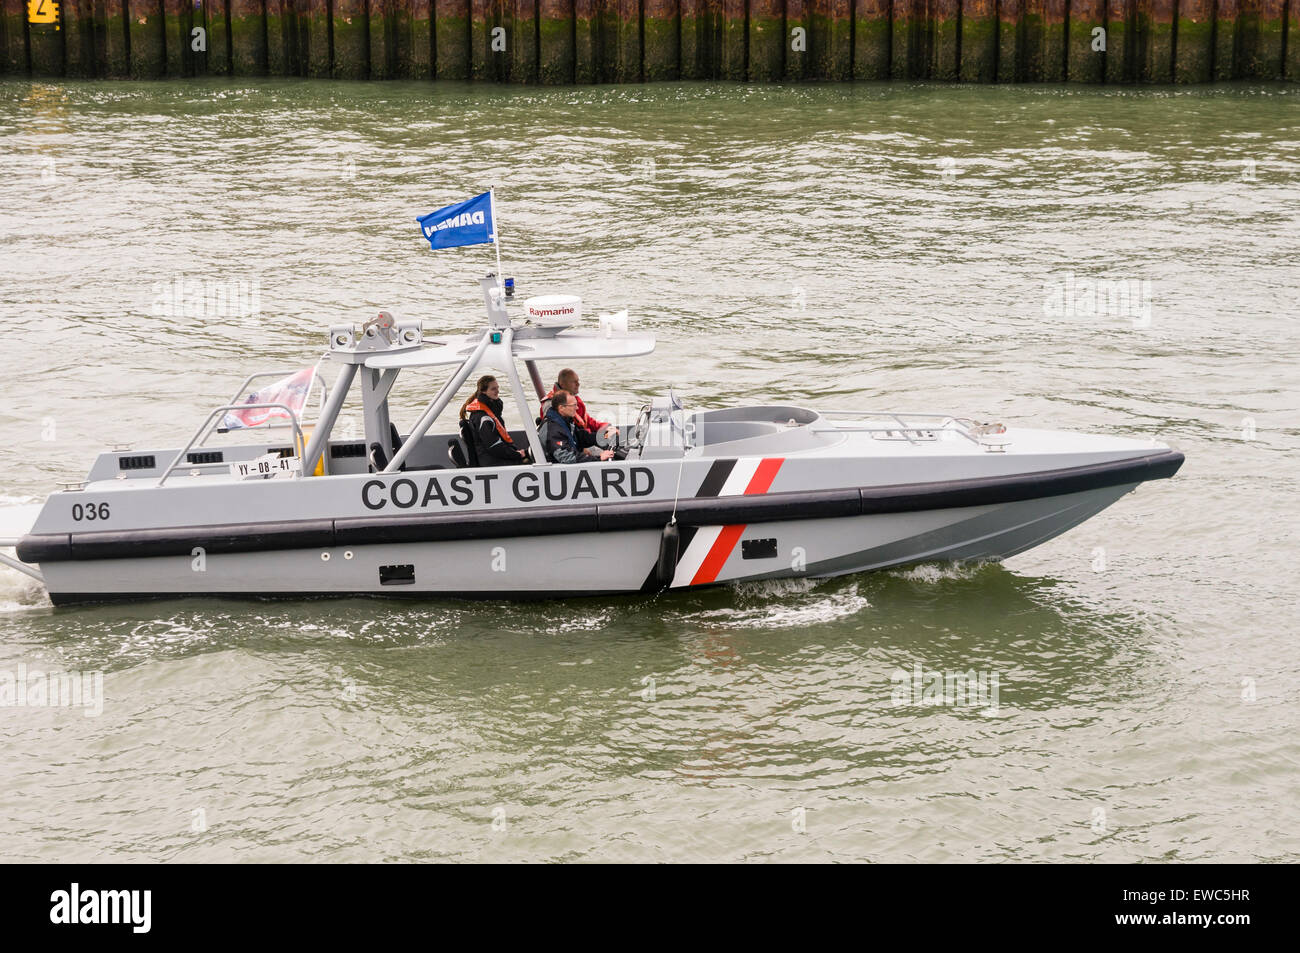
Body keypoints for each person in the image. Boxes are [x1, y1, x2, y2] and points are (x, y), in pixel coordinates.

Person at [459, 375, 528, 466]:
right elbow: (494, 446)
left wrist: (516, 452)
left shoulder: (490, 412)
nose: (497, 391)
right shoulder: (482, 417)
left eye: (497, 388)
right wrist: (517, 454)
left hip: (494, 457)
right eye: (493, 389)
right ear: (484, 391)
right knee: (530, 461)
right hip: (491, 462)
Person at [539, 390, 614, 464]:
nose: (577, 408)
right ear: (561, 408)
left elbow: (583, 438)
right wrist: (598, 458)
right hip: (557, 470)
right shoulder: (554, 429)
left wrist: (606, 435)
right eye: (574, 405)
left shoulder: (565, 421)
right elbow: (566, 457)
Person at [539, 368, 614, 443]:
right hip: (574, 446)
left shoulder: (573, 399)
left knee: (614, 441)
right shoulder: (550, 404)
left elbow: (586, 424)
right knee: (612, 451)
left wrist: (604, 427)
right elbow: (560, 438)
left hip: (583, 440)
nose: (578, 384)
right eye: (574, 382)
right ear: (563, 384)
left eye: (578, 381)